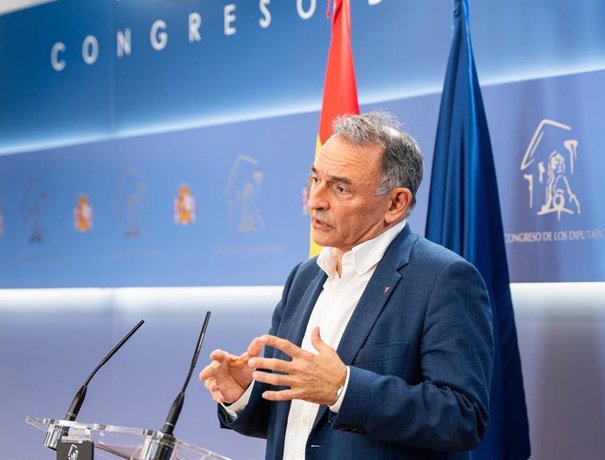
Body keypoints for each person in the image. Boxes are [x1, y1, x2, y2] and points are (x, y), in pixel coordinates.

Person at [199, 111, 493, 459]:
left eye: (340, 188)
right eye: (315, 180)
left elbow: (461, 417)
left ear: (395, 203)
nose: (314, 200)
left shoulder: (443, 279)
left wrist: (343, 388)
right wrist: (245, 394)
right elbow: (301, 422)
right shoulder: (304, 277)